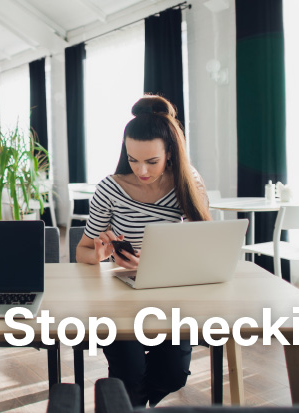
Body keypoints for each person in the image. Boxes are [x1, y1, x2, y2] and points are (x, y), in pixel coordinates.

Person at [75, 94, 211, 407]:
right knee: (129, 375)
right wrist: (97, 254)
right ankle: (128, 399)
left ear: (171, 154)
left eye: (151, 161)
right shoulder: (110, 188)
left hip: (170, 295)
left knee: (175, 375)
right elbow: (82, 250)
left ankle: (128, 401)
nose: (141, 170)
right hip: (119, 298)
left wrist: (153, 263)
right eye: (133, 159)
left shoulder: (188, 183)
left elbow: (204, 248)